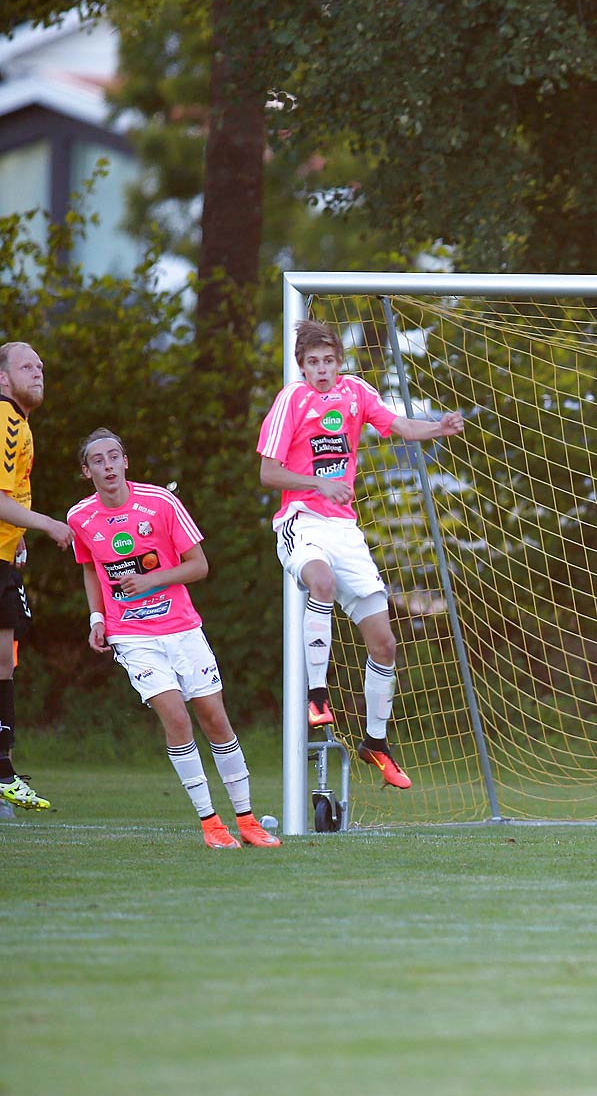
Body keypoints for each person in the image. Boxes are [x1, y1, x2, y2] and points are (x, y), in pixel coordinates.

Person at [256, 320, 464, 791]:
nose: (322, 370)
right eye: (313, 363)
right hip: (302, 521)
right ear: (301, 365)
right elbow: (269, 473)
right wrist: (317, 483)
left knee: (385, 643)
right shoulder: (292, 399)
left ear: (340, 361)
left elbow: (399, 425)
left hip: (345, 531)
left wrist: (439, 427)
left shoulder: (355, 392)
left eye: (329, 361)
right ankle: (317, 697)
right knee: (321, 582)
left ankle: (376, 742)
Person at [68, 430, 279, 848]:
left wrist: (148, 580)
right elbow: (90, 566)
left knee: (215, 720)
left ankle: (247, 818)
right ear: (86, 470)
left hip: (182, 628)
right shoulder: (80, 518)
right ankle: (210, 824)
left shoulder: (161, 502)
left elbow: (199, 566)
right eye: (98, 460)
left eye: (114, 457)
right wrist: (97, 617)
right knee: (176, 718)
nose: (107, 466)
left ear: (126, 462)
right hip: (132, 636)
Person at [0, 341, 72, 812]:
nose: (38, 372)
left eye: (41, 366)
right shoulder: (6, 420)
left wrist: (19, 534)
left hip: (5, 558)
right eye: (27, 366)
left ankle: (3, 770)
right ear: (3, 379)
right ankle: (3, 773)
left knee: (4, 660)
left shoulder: (19, 422)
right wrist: (47, 525)